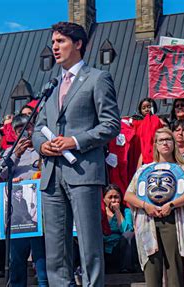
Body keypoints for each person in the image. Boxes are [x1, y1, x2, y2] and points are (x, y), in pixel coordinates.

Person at [32, 21, 120, 287]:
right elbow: (38, 128)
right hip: (51, 174)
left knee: (89, 244)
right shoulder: (50, 86)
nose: (54, 47)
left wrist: (75, 141)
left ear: (78, 44)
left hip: (83, 172)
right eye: (53, 42)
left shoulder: (97, 78)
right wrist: (41, 145)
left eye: (60, 41)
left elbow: (111, 124)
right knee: (55, 249)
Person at [124, 128, 184, 286]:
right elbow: (128, 195)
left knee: (175, 271)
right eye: (161, 140)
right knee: (152, 272)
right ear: (155, 145)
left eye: (169, 139)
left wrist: (171, 205)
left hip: (175, 220)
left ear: (174, 144)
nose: (165, 143)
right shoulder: (144, 169)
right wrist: (145, 205)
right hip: (148, 221)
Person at [0, 114, 47, 287]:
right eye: (19, 131)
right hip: (18, 215)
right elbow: (0, 174)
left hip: (40, 213)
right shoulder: (10, 152)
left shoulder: (43, 149)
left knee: (42, 260)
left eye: (27, 129)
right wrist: (15, 155)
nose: (24, 134)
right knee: (17, 261)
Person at [102, 184, 135, 274]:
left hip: (119, 249)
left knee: (129, 235)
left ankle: (126, 268)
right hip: (103, 249)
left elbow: (127, 230)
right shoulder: (100, 212)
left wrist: (117, 211)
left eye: (116, 197)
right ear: (104, 199)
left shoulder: (126, 211)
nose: (113, 200)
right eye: (110, 197)